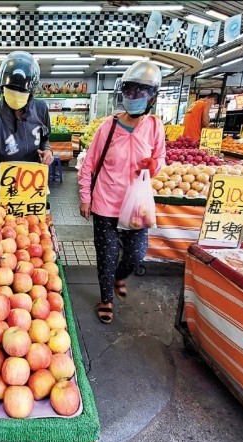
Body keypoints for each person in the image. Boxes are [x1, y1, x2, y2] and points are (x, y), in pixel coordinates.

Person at [78, 60, 166, 324]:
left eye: (140, 92)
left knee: (136, 255)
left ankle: (119, 276)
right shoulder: (108, 126)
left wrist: (154, 165)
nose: (133, 97)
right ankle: (106, 298)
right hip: (106, 203)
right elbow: (88, 165)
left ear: (152, 97)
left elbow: (161, 158)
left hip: (137, 206)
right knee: (106, 256)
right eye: (129, 91)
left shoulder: (154, 127)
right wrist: (85, 198)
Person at [0, 51, 53, 219]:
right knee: (4, 225)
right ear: (2, 88)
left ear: (31, 91)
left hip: (33, 182)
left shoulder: (41, 109)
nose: (16, 94)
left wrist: (48, 151)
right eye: (10, 90)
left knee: (32, 227)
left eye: (21, 91)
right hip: (6, 184)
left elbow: (45, 138)